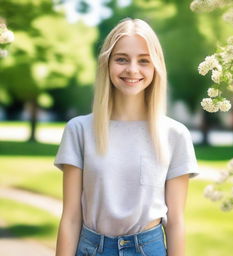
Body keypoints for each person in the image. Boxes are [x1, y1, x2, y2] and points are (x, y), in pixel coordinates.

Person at [54, 18, 199, 256]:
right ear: (107, 64)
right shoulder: (79, 130)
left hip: (148, 249)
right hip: (91, 249)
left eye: (144, 61)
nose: (132, 69)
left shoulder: (175, 135)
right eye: (121, 59)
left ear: (155, 67)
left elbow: (176, 222)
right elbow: (70, 218)